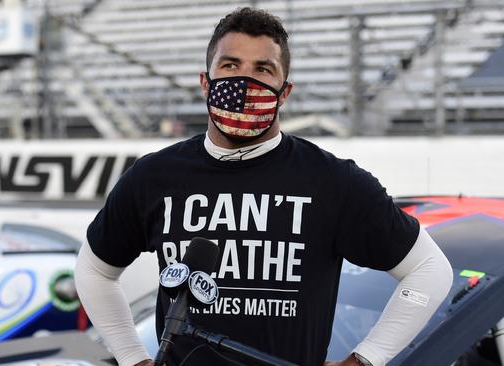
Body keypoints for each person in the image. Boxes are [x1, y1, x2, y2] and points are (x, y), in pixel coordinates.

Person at [76, 7, 453, 366]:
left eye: (263, 69)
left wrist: (366, 358)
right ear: (206, 83)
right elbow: (94, 270)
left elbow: (429, 269)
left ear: (284, 91)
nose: (244, 82)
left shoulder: (333, 181)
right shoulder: (154, 176)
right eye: (230, 65)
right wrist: (130, 355)